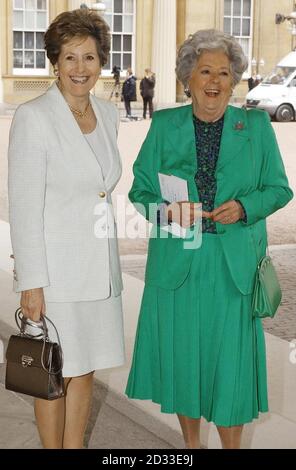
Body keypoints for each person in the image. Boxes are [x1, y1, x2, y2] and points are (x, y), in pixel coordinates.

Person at [125, 29, 293, 449]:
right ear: (188, 78)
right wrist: (166, 211)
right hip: (179, 265)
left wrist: (244, 207)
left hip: (231, 265)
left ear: (234, 80)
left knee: (229, 367)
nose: (214, 81)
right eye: (205, 71)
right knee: (186, 364)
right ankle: (191, 447)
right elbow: (139, 191)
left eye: (224, 72)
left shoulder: (254, 126)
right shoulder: (164, 124)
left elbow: (279, 188)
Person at [8, 9, 125, 449]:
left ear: (101, 62)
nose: (81, 69)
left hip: (100, 269)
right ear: (55, 62)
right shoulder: (34, 117)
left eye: (90, 58)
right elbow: (23, 206)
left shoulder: (109, 114)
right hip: (56, 275)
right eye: (70, 58)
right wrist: (31, 283)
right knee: (53, 370)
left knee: (86, 365)